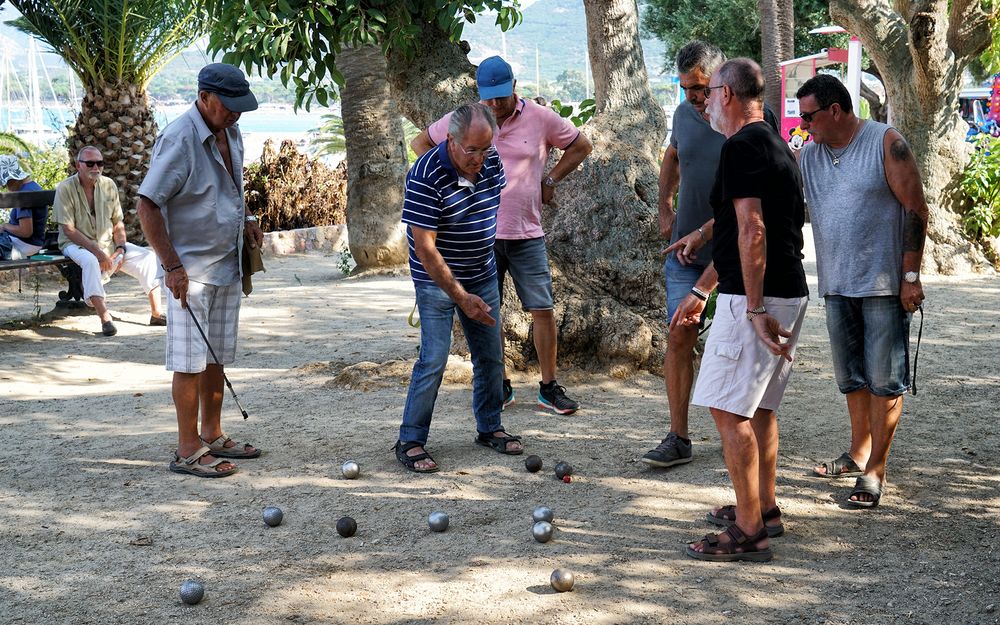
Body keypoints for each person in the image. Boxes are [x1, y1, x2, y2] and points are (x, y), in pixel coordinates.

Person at [675, 59, 809, 562]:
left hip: (759, 295)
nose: (705, 101)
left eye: (709, 93)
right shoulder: (772, 140)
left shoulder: (741, 145)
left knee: (728, 410)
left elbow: (754, 229)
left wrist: (752, 307)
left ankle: (750, 531)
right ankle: (763, 508)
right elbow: (742, 222)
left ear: (727, 93)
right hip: (786, 289)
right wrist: (707, 240)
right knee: (759, 407)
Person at [411, 55, 593, 415]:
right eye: (488, 98)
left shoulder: (540, 118)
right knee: (487, 313)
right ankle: (501, 385)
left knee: (542, 308)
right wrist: (456, 185)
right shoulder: (469, 119)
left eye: (501, 97)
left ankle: (548, 386)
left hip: (526, 232)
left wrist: (550, 180)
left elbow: (581, 145)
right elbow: (421, 145)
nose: (495, 105)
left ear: (514, 87)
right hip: (480, 237)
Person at [643, 42, 783, 470]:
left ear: (722, 81)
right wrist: (665, 205)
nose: (695, 99)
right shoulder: (683, 114)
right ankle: (678, 435)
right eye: (687, 89)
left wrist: (709, 234)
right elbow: (673, 155)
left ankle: (743, 438)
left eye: (702, 88)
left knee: (743, 346)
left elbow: (761, 203)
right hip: (687, 250)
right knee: (679, 332)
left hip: (733, 251)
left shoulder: (754, 119)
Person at [796, 74, 928, 508]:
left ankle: (876, 470)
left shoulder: (884, 142)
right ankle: (857, 452)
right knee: (851, 377)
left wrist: (910, 277)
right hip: (836, 284)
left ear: (835, 110)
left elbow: (915, 209)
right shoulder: (809, 157)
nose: (804, 125)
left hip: (884, 285)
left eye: (809, 116)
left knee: (884, 381)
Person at [137, 63, 263, 478]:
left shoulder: (231, 131)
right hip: (188, 272)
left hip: (226, 264)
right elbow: (148, 205)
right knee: (188, 361)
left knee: (216, 356)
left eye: (241, 107)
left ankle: (212, 431)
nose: (236, 114)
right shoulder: (179, 138)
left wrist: (245, 220)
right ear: (205, 97)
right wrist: (171, 266)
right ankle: (187, 448)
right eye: (229, 107)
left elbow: (232, 187)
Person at [395, 103, 524, 473]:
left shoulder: (491, 163)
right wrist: (460, 297)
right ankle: (410, 439)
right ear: (451, 140)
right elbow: (425, 246)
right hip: (436, 278)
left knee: (491, 356)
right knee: (433, 359)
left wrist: (481, 272)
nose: (480, 159)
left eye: (486, 149)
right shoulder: (424, 174)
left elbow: (488, 211)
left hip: (481, 271)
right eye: (472, 150)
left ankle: (489, 427)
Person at [53, 147, 165, 336]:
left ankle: (156, 313)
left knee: (147, 257)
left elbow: (118, 223)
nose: (96, 167)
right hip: (75, 245)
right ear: (77, 165)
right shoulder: (65, 188)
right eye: (90, 163)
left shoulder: (109, 184)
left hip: (107, 244)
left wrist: (120, 248)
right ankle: (105, 318)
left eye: (100, 163)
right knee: (89, 261)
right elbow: (68, 230)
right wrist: (100, 254)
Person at [0, 155, 48, 260]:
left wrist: (4, 226)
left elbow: (26, 231)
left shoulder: (23, 195)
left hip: (24, 244)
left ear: (12, 178)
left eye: (5, 184)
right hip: (34, 242)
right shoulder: (33, 187)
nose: (6, 188)